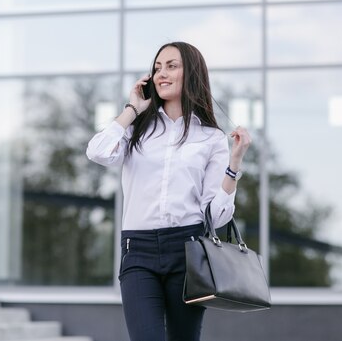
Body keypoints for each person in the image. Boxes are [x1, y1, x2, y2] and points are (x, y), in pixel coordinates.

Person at [86, 41, 251, 341]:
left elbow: (217, 214)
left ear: (192, 74)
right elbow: (97, 152)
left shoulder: (211, 137)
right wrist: (132, 109)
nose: (162, 73)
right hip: (137, 251)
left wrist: (234, 164)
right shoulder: (137, 129)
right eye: (157, 68)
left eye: (171, 66)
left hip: (187, 251)